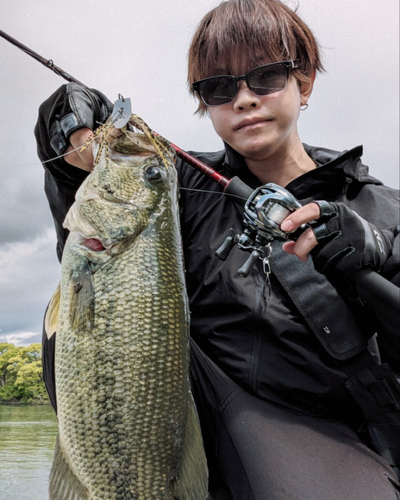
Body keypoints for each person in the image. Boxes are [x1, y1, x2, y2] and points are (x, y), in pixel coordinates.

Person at [35, 0, 400, 498]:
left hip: (324, 443)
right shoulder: (177, 186)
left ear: (305, 81)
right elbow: (82, 211)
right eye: (219, 87)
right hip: (181, 423)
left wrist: (381, 252)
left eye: (266, 76)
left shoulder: (382, 208)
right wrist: (69, 121)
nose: (244, 99)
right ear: (203, 102)